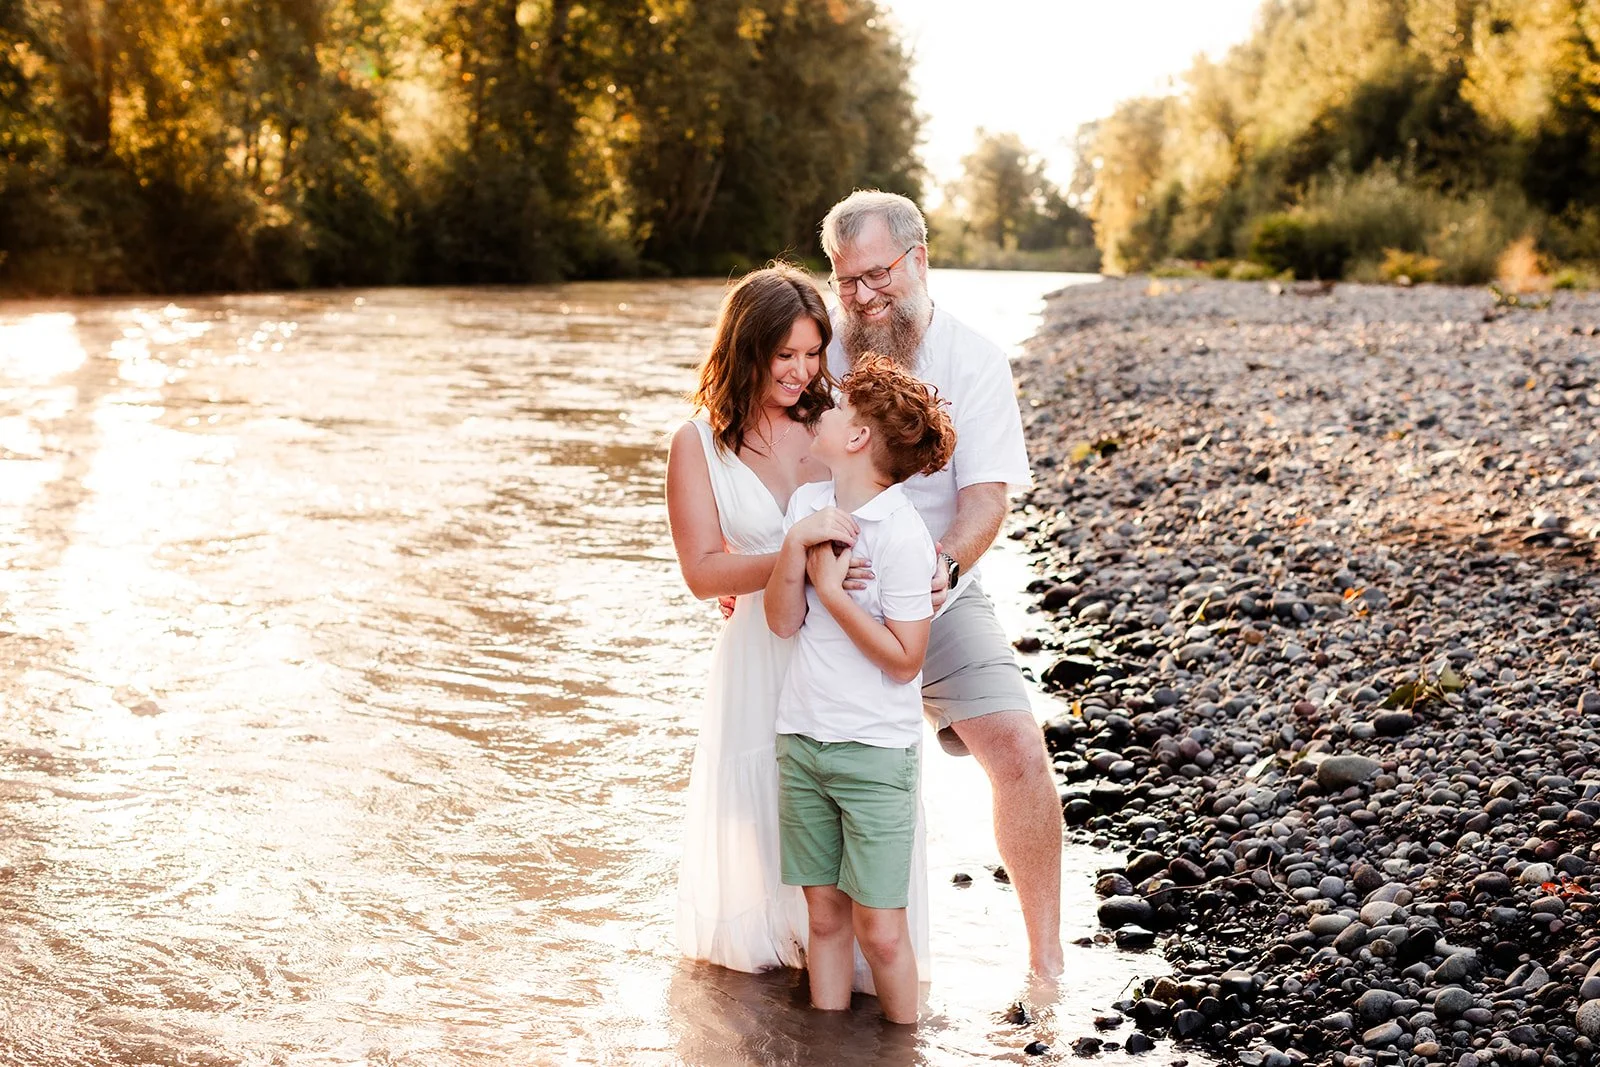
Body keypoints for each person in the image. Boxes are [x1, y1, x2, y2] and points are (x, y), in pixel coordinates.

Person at [819, 190, 1066, 978]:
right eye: (846, 279)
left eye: (877, 274)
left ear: (919, 259)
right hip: (828, 595)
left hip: (939, 593)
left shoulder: (975, 358)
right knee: (799, 764)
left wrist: (944, 567)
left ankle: (1047, 963)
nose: (863, 296)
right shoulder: (817, 351)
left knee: (1020, 749)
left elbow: (986, 498)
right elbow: (771, 464)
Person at [664, 264, 929, 982]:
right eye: (785, 354)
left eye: (813, 353)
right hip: (758, 653)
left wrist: (930, 570)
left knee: (856, 827)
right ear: (746, 348)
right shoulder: (698, 444)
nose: (802, 371)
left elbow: (890, 508)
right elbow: (703, 572)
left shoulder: (832, 422)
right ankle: (778, 1009)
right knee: (765, 829)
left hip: (839, 651)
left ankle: (861, 992)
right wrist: (793, 557)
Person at [764, 355, 955, 1024]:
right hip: (803, 739)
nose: (824, 408)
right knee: (823, 918)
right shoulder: (807, 506)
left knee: (881, 930)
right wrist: (797, 547)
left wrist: (834, 595)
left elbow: (906, 660)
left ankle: (904, 1050)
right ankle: (829, 1048)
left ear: (858, 437)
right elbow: (781, 620)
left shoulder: (903, 535)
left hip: (875, 753)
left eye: (839, 405)